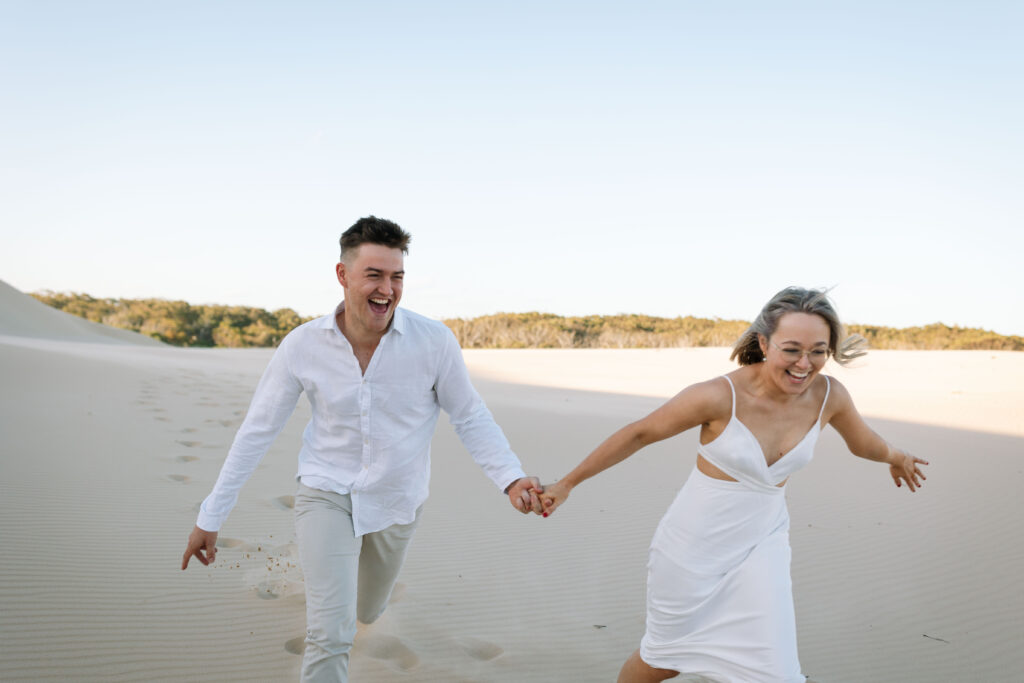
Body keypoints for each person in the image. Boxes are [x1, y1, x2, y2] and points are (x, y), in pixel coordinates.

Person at [181, 216, 543, 682]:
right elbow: (257, 431)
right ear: (343, 275)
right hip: (325, 492)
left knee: (367, 611)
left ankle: (349, 598)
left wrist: (510, 478)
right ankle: (327, 593)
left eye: (397, 276)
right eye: (374, 274)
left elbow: (470, 415)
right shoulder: (302, 345)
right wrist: (211, 516)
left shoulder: (433, 342)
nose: (387, 289)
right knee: (331, 634)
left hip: (397, 500)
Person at [538, 287, 928, 683]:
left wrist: (897, 457)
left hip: (763, 547)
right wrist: (568, 483)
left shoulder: (829, 396)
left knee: (777, 673)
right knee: (663, 658)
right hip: (692, 550)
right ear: (764, 342)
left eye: (818, 351)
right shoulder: (718, 395)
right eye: (791, 349)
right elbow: (640, 434)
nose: (804, 364)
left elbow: (863, 442)